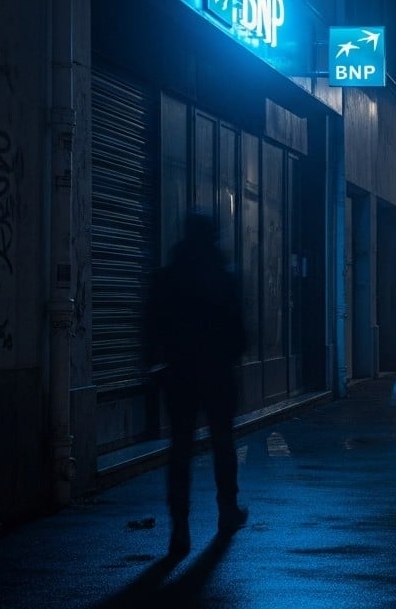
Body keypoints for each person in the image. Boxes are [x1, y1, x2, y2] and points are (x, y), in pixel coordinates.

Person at [145, 211, 249, 557]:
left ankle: (180, 528)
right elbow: (239, 332)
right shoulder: (223, 278)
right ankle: (227, 511)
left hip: (179, 374)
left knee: (180, 451)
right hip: (217, 373)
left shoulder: (166, 277)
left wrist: (151, 367)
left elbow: (150, 328)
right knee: (222, 442)